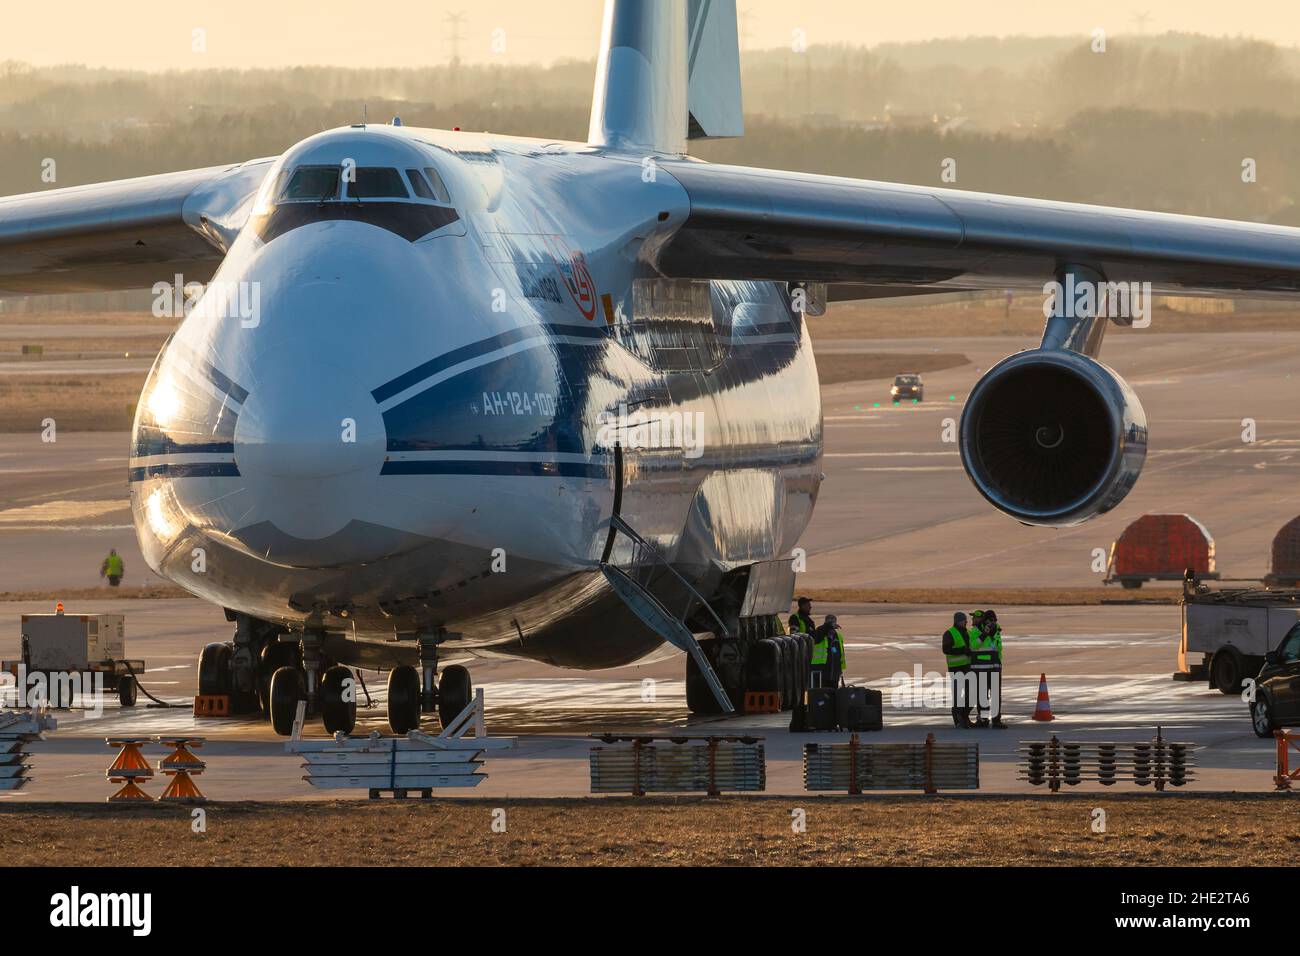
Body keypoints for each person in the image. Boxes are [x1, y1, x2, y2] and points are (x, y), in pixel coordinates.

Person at [971, 609, 1006, 728]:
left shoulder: (997, 630)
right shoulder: (976, 630)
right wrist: (984, 634)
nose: (993, 622)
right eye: (991, 620)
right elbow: (973, 646)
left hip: (995, 667)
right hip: (981, 667)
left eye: (995, 620)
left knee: (996, 695)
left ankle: (996, 720)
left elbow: (999, 647)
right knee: (982, 695)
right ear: (985, 620)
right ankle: (984, 719)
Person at [943, 611, 975, 728]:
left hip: (968, 667)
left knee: (971, 693)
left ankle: (964, 716)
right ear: (957, 621)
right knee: (957, 694)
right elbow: (946, 649)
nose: (966, 622)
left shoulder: (969, 633)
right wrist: (962, 650)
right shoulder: (949, 633)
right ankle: (957, 719)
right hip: (956, 668)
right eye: (964, 620)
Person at [811, 614, 847, 688]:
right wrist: (827, 626)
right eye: (830, 623)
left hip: (834, 673)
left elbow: (840, 654)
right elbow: (816, 638)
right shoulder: (820, 632)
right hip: (821, 671)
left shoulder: (838, 637)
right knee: (821, 693)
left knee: (833, 693)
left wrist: (840, 671)